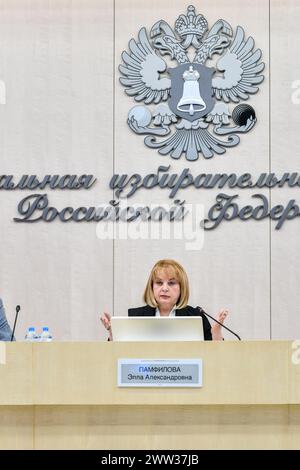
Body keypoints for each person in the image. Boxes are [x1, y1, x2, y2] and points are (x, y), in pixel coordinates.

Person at [101, 259, 229, 341]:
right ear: (152, 286)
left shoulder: (196, 316)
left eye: (172, 283)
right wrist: (113, 333)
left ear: (181, 288)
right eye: (159, 283)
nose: (165, 288)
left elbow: (215, 356)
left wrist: (216, 330)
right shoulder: (136, 316)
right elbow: (118, 355)